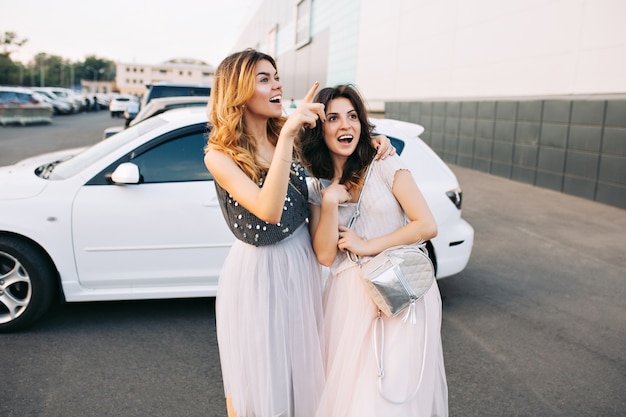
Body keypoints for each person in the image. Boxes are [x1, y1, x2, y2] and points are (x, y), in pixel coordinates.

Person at [203, 50, 394, 417]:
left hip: (301, 264)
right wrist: (289, 133)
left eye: (276, 76)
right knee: (257, 376)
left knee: (301, 372)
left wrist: (376, 142)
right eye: (264, 78)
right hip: (258, 273)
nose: (277, 84)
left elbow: (342, 140)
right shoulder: (220, 155)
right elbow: (268, 211)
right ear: (238, 91)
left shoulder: (289, 138)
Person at [300, 84, 449, 417]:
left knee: (393, 393)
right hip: (349, 299)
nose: (346, 126)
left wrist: (368, 246)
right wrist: (328, 202)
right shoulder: (316, 185)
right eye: (334, 118)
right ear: (319, 128)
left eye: (353, 117)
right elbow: (325, 256)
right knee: (356, 396)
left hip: (399, 290)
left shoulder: (385, 163)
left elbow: (426, 224)